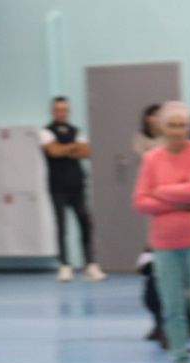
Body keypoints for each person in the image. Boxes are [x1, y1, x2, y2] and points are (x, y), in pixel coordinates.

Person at [133, 102, 190, 363]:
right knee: (171, 305)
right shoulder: (151, 159)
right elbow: (140, 201)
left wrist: (161, 192)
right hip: (165, 242)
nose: (179, 131)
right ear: (161, 128)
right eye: (173, 125)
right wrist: (182, 200)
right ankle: (180, 362)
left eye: (184, 125)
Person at [39, 96, 107, 283]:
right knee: (61, 226)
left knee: (85, 223)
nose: (62, 112)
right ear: (53, 111)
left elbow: (86, 151)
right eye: (58, 109)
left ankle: (90, 265)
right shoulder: (45, 131)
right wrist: (72, 148)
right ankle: (65, 265)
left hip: (77, 185)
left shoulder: (77, 130)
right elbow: (53, 151)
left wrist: (64, 148)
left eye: (65, 109)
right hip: (57, 187)